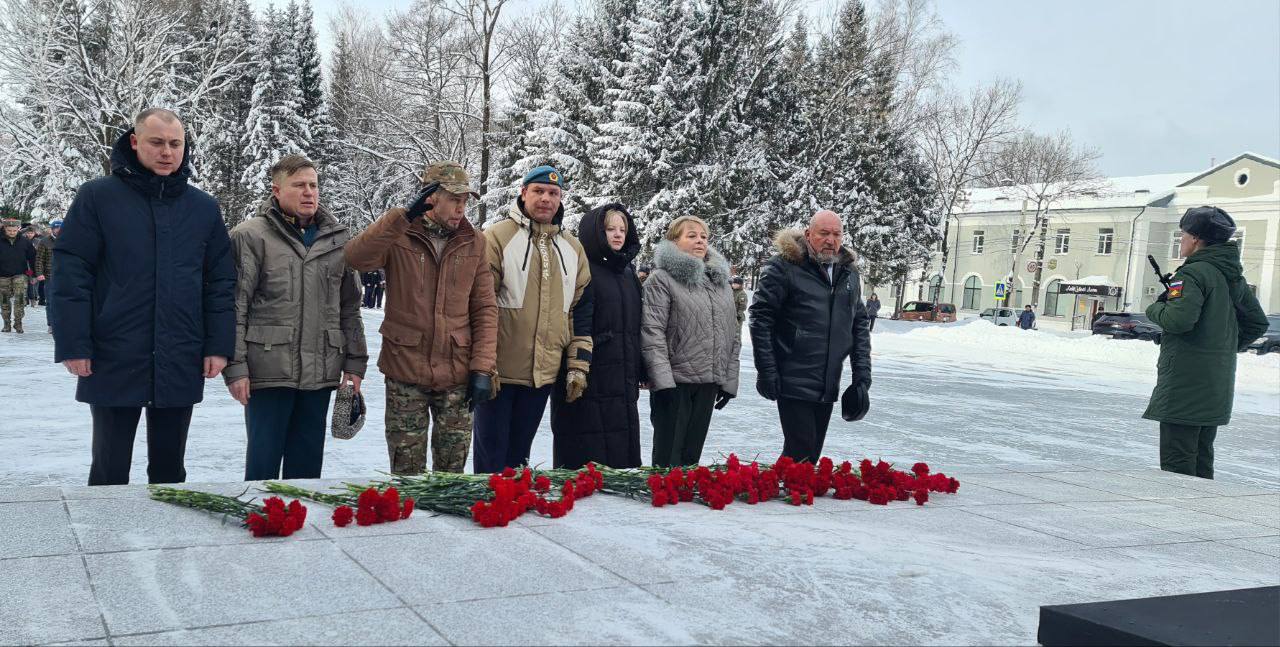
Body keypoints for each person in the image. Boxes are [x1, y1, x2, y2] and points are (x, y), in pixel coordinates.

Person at [52, 108, 236, 486]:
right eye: (156, 142)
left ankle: (167, 542)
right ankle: (104, 537)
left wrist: (217, 345)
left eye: (175, 143)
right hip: (113, 352)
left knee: (170, 471)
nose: (167, 152)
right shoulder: (97, 198)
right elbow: (72, 275)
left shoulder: (203, 208)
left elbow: (219, 282)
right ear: (135, 142)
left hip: (180, 351)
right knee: (109, 467)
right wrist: (74, 344)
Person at [222, 154, 368, 481]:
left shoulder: (338, 240)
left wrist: (355, 364)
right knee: (263, 468)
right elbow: (235, 306)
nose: (309, 192)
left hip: (320, 372)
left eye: (313, 185)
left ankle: (301, 527)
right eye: (299, 185)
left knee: (306, 472)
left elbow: (349, 307)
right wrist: (236, 368)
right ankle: (262, 524)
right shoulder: (249, 236)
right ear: (276, 190)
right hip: (268, 371)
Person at [346, 161, 497, 474]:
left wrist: (483, 367)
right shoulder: (400, 234)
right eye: (454, 199)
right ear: (431, 197)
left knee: (450, 476)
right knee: (407, 475)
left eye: (465, 200)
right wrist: (399, 217)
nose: (461, 208)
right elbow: (355, 258)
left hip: (457, 374)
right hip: (406, 371)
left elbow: (484, 307)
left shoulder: (475, 241)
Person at [475, 165, 592, 473]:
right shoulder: (498, 237)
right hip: (499, 372)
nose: (545, 199)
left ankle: (511, 507)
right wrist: (483, 363)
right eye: (538, 191)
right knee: (490, 456)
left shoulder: (572, 248)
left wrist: (577, 365)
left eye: (553, 193)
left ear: (561, 198)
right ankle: (487, 510)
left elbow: (578, 311)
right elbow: (479, 304)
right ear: (523, 193)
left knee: (519, 457)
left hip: (542, 374)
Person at [1143, 206, 1268, 480]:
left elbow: (1178, 321)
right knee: (1201, 460)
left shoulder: (1191, 274)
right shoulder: (1231, 276)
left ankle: (1180, 518)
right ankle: (1201, 516)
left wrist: (1154, 309)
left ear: (1197, 239)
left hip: (1185, 385)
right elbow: (1258, 322)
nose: (1181, 240)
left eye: (1183, 235)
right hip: (1215, 385)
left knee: (1178, 468)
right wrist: (1218, 349)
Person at [749, 210, 872, 463]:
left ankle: (789, 491)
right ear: (808, 235)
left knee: (810, 453)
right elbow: (761, 319)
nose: (831, 240)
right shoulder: (783, 267)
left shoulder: (848, 274)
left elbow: (859, 324)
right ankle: (787, 493)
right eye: (824, 233)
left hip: (828, 379)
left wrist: (862, 376)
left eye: (836, 234)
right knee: (801, 451)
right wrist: (767, 370)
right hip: (792, 377)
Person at [550, 203, 644, 469]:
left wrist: (641, 366)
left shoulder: (627, 273)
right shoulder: (581, 268)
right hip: (589, 370)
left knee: (619, 447)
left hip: (623, 374)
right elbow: (573, 319)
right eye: (609, 229)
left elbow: (637, 325)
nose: (617, 234)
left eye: (622, 229)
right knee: (585, 447)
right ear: (595, 232)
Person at [642, 216, 740, 467]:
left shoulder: (721, 284)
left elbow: (733, 333)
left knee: (690, 461)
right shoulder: (661, 280)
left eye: (704, 237)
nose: (700, 241)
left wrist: (728, 380)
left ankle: (684, 501)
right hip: (675, 383)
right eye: (692, 235)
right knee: (668, 462)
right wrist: (662, 381)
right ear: (674, 241)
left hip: (708, 382)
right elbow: (652, 332)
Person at [0, 218, 36, 333]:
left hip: (20, 274)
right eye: (9, 230)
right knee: (4, 301)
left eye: (14, 230)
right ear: (5, 229)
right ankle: (7, 324)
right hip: (2, 275)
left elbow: (32, 259)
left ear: (18, 229)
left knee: (20, 299)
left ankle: (18, 323)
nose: (11, 233)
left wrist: (32, 275)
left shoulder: (25, 242)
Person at [35, 221, 61, 320]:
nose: (58, 230)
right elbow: (39, 259)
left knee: (63, 301)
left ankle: (62, 323)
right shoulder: (45, 241)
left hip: (64, 275)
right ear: (52, 229)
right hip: (49, 275)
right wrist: (39, 273)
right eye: (56, 228)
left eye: (60, 228)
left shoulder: (67, 240)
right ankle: (51, 323)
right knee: (50, 300)